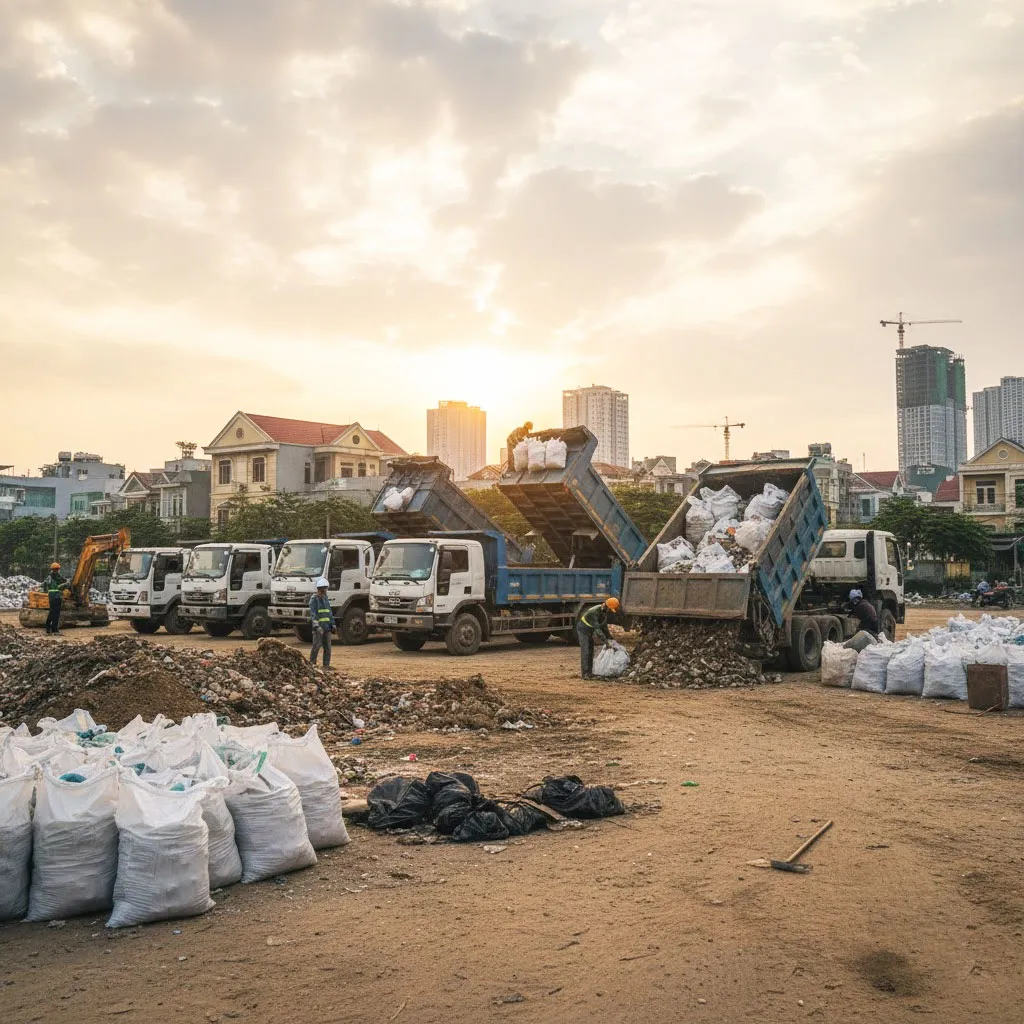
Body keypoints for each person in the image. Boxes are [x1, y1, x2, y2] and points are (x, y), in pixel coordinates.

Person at [577, 597, 620, 678]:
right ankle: (585, 674)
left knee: (591, 650)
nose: (610, 611)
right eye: (610, 609)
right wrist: (606, 642)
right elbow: (598, 629)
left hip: (590, 630)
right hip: (583, 630)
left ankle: (590, 672)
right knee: (585, 650)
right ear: (607, 607)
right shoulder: (594, 612)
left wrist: (610, 638)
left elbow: (604, 627)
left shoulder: (603, 613)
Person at [308, 577, 336, 668]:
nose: (324, 591)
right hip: (319, 628)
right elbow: (313, 614)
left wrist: (333, 624)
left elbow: (329, 612)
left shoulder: (325, 598)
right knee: (316, 646)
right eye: (323, 589)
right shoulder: (314, 599)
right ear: (319, 589)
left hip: (327, 627)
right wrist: (317, 626)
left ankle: (326, 665)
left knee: (328, 647)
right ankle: (312, 664)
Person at [42, 562, 69, 636]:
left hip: (54, 595)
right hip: (55, 595)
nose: (57, 570)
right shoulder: (55, 577)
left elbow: (44, 585)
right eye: (57, 569)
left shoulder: (51, 577)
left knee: (54, 612)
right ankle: (52, 628)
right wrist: (66, 583)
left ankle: (50, 628)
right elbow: (61, 585)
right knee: (54, 612)